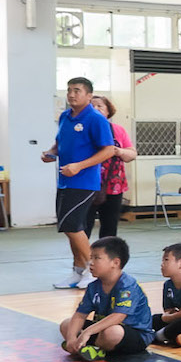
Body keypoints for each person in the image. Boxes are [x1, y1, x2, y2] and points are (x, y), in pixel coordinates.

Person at [43, 78, 119, 290]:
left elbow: (108, 150)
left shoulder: (96, 119)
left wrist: (79, 166)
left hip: (84, 182)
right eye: (69, 90)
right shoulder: (65, 117)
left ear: (89, 95)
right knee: (69, 228)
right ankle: (77, 271)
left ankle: (93, 271)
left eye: (77, 90)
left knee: (73, 227)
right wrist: (50, 153)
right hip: (64, 181)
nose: (71, 94)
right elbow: (59, 143)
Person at [58, 236, 151, 362]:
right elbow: (80, 315)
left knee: (112, 332)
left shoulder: (127, 286)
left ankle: (95, 348)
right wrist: (71, 338)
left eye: (97, 258)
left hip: (133, 335)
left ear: (115, 263)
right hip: (102, 330)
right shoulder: (93, 286)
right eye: (91, 257)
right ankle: (86, 347)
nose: (91, 263)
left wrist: (87, 332)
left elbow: (118, 317)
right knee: (66, 324)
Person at [89, 95, 137, 240]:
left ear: (108, 111)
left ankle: (106, 252)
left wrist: (118, 151)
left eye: (100, 106)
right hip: (87, 184)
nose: (96, 109)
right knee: (83, 226)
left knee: (109, 226)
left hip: (113, 185)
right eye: (92, 106)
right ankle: (83, 253)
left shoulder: (118, 130)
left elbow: (131, 155)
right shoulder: (83, 129)